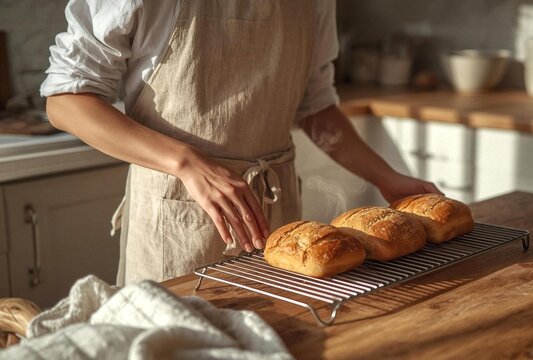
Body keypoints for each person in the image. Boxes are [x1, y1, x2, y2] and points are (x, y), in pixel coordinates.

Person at [42, 0, 442, 285]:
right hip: (177, 220)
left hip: (278, 219)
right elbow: (66, 102)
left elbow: (315, 106)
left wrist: (387, 178)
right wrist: (186, 162)